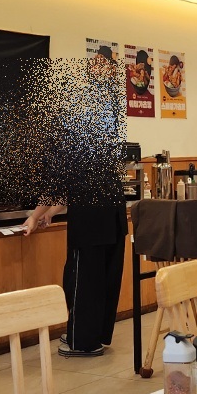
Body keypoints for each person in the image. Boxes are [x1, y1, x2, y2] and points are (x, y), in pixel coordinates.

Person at [22, 51, 127, 358]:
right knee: (105, 277)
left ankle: (83, 342)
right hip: (112, 214)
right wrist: (53, 212)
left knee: (83, 279)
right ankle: (98, 336)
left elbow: (59, 181)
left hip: (92, 222)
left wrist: (35, 216)